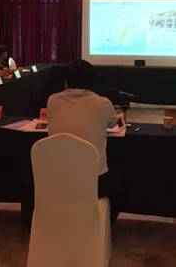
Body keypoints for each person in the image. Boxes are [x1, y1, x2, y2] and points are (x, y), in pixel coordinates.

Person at [47, 59, 124, 222]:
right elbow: (112, 123)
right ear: (92, 81)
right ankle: (102, 226)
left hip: (56, 178)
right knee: (120, 180)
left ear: (66, 81)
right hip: (92, 182)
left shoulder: (52, 100)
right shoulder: (102, 103)